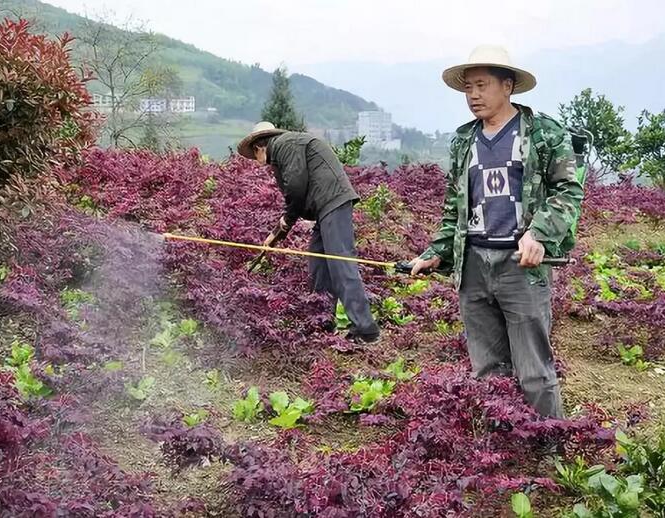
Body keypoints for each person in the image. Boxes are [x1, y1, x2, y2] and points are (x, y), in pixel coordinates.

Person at [408, 45, 584, 418]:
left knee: (534, 371)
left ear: (508, 86)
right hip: (473, 264)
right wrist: (436, 252)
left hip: (521, 265)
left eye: (482, 85)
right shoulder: (463, 141)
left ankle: (548, 449)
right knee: (487, 370)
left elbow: (569, 190)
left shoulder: (544, 134)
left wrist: (539, 234)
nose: (473, 95)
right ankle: (500, 450)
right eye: (468, 87)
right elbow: (454, 206)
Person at [238, 122, 381, 344]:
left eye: (253, 156)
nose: (256, 163)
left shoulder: (285, 144)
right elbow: (295, 195)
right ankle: (321, 322)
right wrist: (278, 231)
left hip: (333, 202)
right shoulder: (282, 151)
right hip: (325, 208)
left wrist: (285, 221)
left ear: (259, 147)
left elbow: (295, 186)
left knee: (340, 264)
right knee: (319, 265)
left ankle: (365, 328)